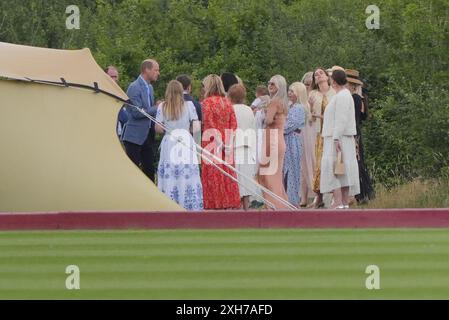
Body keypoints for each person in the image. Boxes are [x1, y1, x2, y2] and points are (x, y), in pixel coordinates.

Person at [155, 80, 203, 210]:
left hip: (169, 141)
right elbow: (196, 126)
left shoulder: (162, 106)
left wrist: (167, 128)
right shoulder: (189, 105)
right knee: (186, 171)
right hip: (185, 140)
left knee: (171, 173)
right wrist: (188, 131)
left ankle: (169, 202)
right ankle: (188, 203)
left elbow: (158, 128)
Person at [320, 70, 360, 209]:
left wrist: (336, 138)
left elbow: (341, 119)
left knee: (336, 168)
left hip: (338, 138)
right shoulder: (341, 95)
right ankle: (342, 202)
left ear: (334, 81)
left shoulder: (343, 95)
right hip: (338, 137)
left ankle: (339, 200)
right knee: (340, 169)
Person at [201, 74, 241, 209]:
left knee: (213, 174)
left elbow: (209, 125)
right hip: (227, 141)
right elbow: (233, 125)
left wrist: (220, 144)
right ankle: (229, 203)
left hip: (212, 143)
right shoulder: (227, 102)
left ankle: (215, 203)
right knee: (227, 174)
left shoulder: (206, 103)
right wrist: (227, 144)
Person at [121, 59, 160, 182]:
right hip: (134, 137)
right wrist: (156, 108)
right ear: (146, 70)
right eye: (156, 70)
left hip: (148, 135)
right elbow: (136, 112)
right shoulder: (134, 87)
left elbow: (147, 110)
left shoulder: (150, 88)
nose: (158, 73)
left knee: (149, 170)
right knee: (133, 171)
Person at [257, 75, 290, 210]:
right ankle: (280, 205)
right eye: (269, 83)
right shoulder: (282, 103)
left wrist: (263, 113)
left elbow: (268, 120)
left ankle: (274, 206)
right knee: (275, 175)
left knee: (267, 176)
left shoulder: (274, 102)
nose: (270, 86)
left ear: (279, 87)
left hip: (272, 140)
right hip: (279, 140)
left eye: (273, 84)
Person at [346, 69, 375, 203]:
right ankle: (363, 193)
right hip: (355, 132)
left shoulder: (355, 98)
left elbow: (356, 117)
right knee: (358, 162)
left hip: (354, 133)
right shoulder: (357, 98)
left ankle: (363, 193)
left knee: (358, 163)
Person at [308, 67, 336, 208]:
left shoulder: (334, 92)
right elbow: (309, 117)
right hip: (319, 133)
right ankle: (318, 196)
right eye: (315, 75)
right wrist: (311, 112)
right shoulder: (313, 94)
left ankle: (334, 195)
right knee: (319, 164)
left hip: (332, 132)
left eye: (320, 73)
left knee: (332, 163)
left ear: (326, 76)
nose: (318, 75)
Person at [228, 84, 258, 210]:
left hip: (235, 145)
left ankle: (237, 206)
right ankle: (246, 206)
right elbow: (253, 128)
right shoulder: (248, 110)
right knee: (245, 177)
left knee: (236, 177)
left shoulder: (230, 109)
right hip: (247, 145)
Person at [283, 82, 306, 207]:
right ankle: (286, 198)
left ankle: (293, 200)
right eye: (289, 91)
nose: (289, 93)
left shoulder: (299, 108)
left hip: (293, 140)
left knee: (292, 169)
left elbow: (290, 125)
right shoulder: (290, 106)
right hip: (286, 139)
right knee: (286, 169)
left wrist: (279, 128)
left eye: (292, 91)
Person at [299, 72, 316, 207]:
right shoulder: (300, 99)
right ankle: (303, 198)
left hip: (312, 132)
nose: (308, 87)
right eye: (305, 84)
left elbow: (314, 118)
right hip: (301, 133)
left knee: (313, 162)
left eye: (310, 84)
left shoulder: (316, 97)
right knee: (302, 165)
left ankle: (317, 196)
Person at [176, 74, 202, 146]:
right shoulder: (195, 104)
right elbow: (197, 127)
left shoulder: (168, 104)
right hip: (191, 142)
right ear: (189, 87)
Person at [105, 66, 128, 139]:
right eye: (111, 77)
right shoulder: (101, 92)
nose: (114, 79)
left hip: (117, 131)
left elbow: (124, 117)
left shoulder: (119, 92)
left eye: (115, 77)